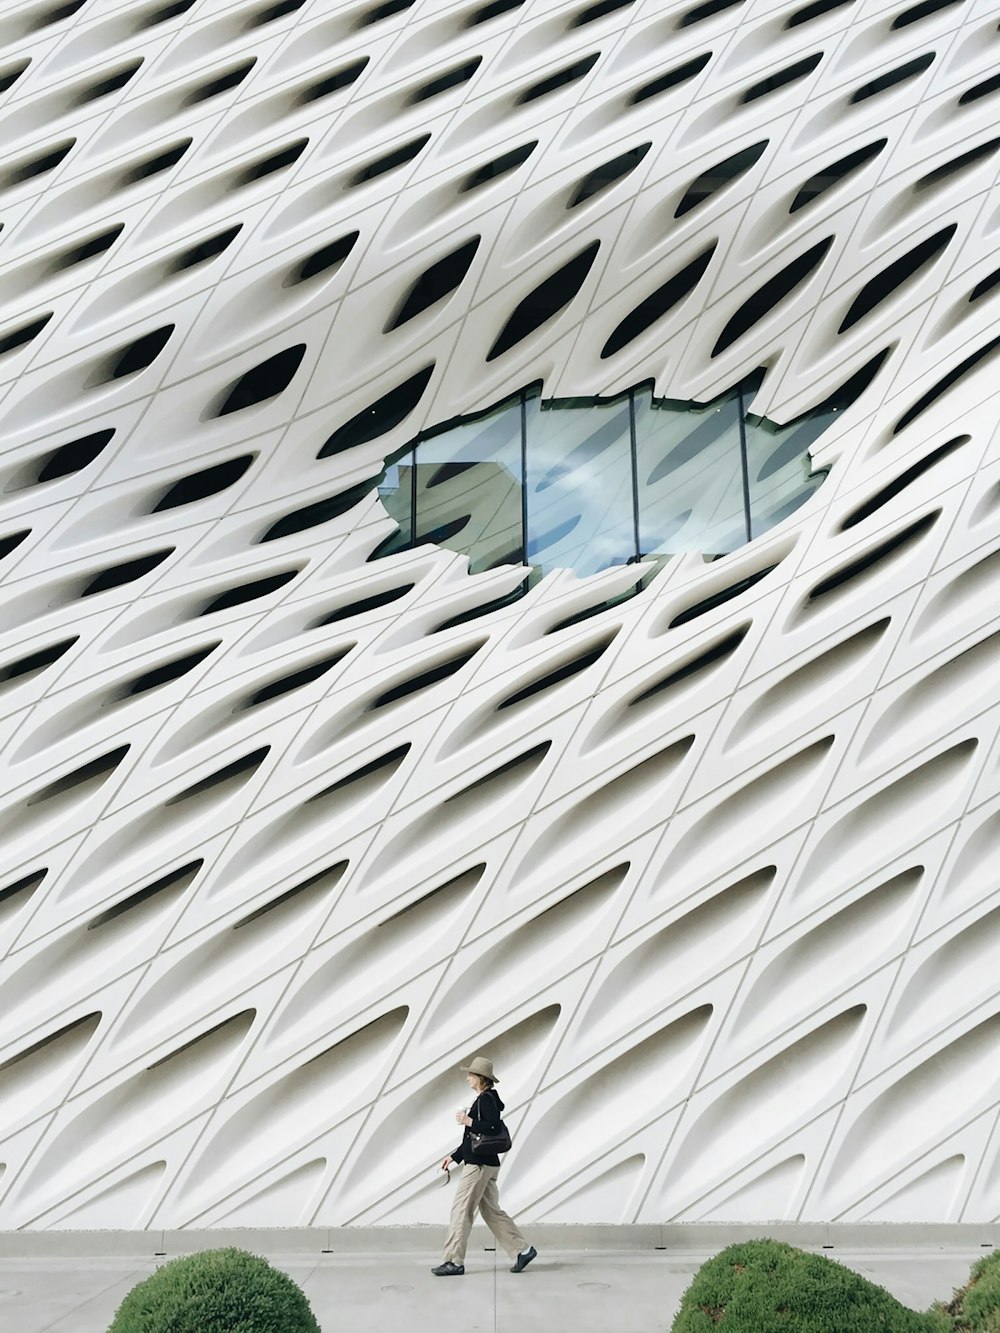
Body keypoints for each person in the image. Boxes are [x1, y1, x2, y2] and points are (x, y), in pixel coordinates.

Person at [432, 1056, 537, 1277]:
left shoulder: (486, 1100)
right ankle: (522, 1251)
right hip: (487, 1164)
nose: (468, 1078)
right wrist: (454, 1157)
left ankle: (453, 1261)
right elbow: (473, 1140)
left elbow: (491, 1126)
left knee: (461, 1210)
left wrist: (468, 1121)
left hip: (478, 1167)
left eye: (470, 1074)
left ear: (481, 1078)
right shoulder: (486, 1099)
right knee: (492, 1212)